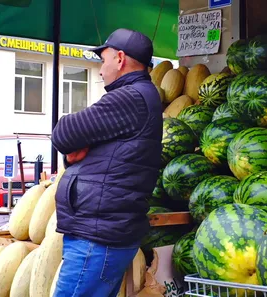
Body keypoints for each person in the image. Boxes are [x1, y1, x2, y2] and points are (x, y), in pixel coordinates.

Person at [51, 28, 163, 297]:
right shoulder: (137, 95)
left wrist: (77, 146)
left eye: (104, 60)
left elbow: (63, 133)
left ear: (120, 59)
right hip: (101, 234)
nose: (101, 70)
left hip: (97, 238)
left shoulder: (130, 97)